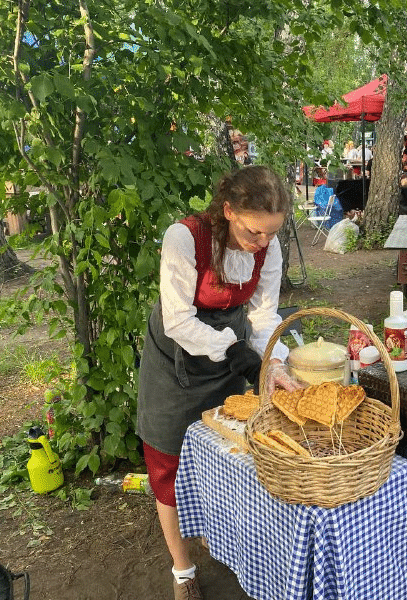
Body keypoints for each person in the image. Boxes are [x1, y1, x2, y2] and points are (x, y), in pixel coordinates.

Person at [137, 166, 300, 600]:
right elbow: (177, 319)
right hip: (176, 359)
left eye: (270, 233)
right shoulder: (185, 238)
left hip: (232, 351)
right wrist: (236, 352)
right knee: (169, 461)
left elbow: (264, 316)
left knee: (223, 453)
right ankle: (182, 569)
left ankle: (219, 539)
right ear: (228, 210)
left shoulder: (268, 245)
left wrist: (271, 364)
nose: (262, 243)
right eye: (253, 232)